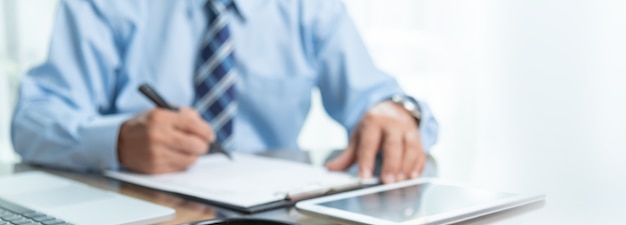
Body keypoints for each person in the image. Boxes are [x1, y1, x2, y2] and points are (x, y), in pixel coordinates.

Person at [11, 0, 438, 184]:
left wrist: (396, 113)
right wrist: (117, 140)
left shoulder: (310, 7)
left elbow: (377, 99)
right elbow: (33, 120)